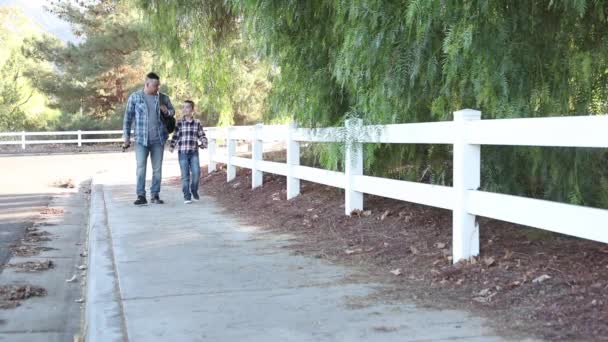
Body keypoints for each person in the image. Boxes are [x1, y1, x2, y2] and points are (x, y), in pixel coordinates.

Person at [123, 72, 175, 205]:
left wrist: (167, 112)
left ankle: (155, 194)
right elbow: (127, 119)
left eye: (158, 85)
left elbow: (172, 111)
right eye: (155, 85)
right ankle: (141, 195)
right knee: (141, 168)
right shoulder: (135, 97)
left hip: (158, 139)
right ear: (147, 84)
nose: (157, 88)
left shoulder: (163, 98)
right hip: (141, 139)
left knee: (157, 169)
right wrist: (126, 137)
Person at [169, 100, 207, 204]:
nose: (184, 109)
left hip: (194, 152)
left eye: (187, 107)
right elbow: (176, 135)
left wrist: (204, 142)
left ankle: (194, 189)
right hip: (182, 153)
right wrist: (172, 146)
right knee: (185, 176)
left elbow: (201, 135)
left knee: (196, 173)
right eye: (183, 107)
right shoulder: (180, 123)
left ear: (192, 110)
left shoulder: (197, 123)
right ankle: (187, 196)